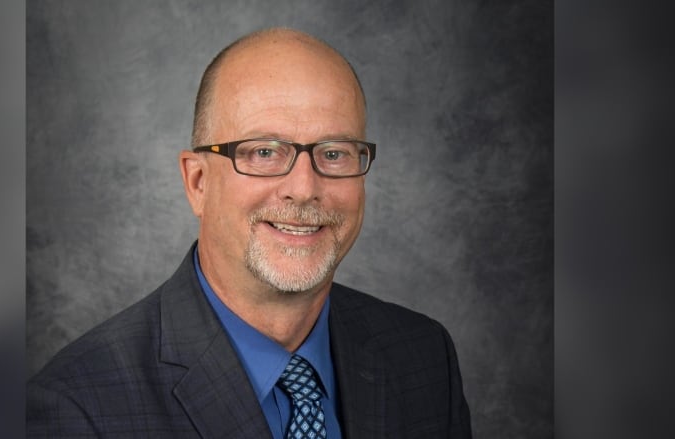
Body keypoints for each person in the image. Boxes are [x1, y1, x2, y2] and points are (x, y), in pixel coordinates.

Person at [27, 27, 471, 438]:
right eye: (263, 151)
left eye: (334, 153)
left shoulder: (423, 356)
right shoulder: (77, 409)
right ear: (197, 182)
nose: (303, 189)